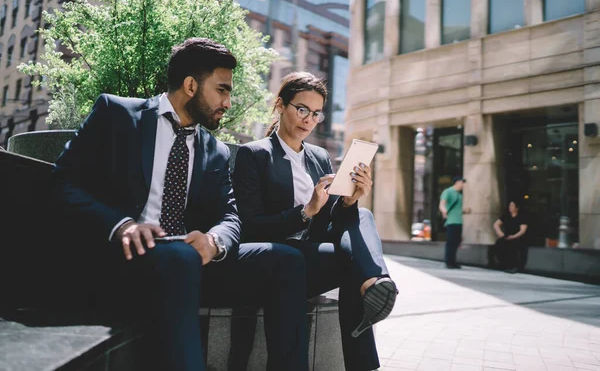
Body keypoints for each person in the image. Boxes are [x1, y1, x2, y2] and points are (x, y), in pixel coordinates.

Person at [51, 38, 308, 371]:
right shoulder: (117, 114)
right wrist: (122, 225)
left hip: (193, 262)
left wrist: (214, 242)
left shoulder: (215, 150)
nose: (228, 102)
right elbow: (63, 182)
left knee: (287, 261)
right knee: (180, 258)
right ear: (190, 85)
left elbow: (230, 216)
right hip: (127, 258)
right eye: (222, 90)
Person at [232, 71, 398, 371]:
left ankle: (375, 282)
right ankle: (370, 288)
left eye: (316, 113)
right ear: (280, 106)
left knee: (361, 214)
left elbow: (338, 220)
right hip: (274, 260)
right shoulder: (254, 155)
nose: (309, 119)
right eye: (302, 109)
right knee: (350, 267)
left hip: (312, 257)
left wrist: (349, 199)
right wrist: (305, 212)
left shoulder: (320, 157)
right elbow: (250, 226)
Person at [439, 176, 472, 269]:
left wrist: (465, 211)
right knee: (451, 242)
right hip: (451, 221)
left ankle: (453, 262)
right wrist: (444, 211)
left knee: (456, 242)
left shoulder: (460, 195)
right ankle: (448, 262)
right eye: (462, 182)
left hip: (459, 222)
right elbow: (442, 204)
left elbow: (457, 209)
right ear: (457, 182)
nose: (463, 185)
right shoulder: (448, 191)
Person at [491, 200, 528, 273]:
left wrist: (513, 236)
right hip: (507, 236)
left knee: (513, 245)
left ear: (516, 208)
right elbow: (496, 224)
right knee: (498, 244)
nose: (510, 207)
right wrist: (500, 233)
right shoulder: (506, 216)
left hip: (518, 237)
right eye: (509, 206)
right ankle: (502, 264)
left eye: (512, 206)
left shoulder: (521, 217)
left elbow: (522, 231)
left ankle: (514, 266)